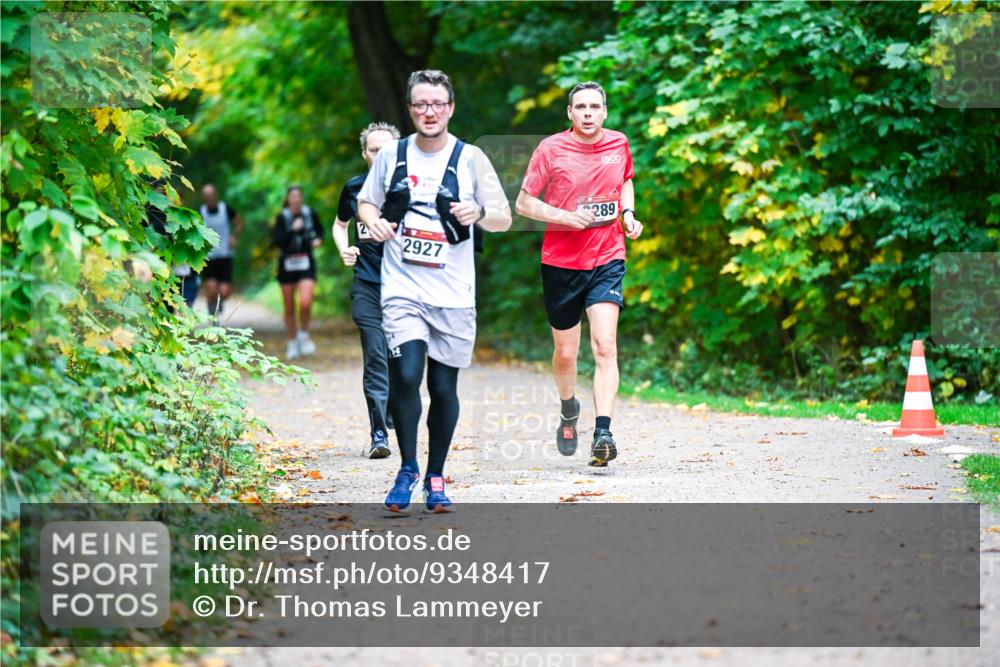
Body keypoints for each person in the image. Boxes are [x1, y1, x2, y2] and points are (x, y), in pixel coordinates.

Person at [358, 69, 511, 513]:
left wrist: (477, 210)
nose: (430, 112)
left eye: (438, 104)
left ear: (451, 108)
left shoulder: (471, 158)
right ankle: (407, 467)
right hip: (403, 287)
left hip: (455, 294)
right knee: (406, 376)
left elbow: (502, 217)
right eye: (421, 104)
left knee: (443, 387)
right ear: (410, 110)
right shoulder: (392, 155)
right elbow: (366, 202)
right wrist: (373, 222)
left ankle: (435, 475)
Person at [515, 81, 644, 467]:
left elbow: (625, 181)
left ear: (605, 111)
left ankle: (603, 431)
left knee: (605, 346)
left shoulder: (618, 143)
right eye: (580, 107)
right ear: (569, 113)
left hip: (608, 257)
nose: (588, 113)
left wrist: (628, 214)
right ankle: (569, 408)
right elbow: (523, 203)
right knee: (566, 354)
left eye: (595, 106)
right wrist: (565, 217)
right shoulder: (551, 149)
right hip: (561, 263)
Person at [333, 121, 401, 460]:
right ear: (365, 154)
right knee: (376, 357)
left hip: (407, 292)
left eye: (387, 148)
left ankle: (390, 410)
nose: (381, 155)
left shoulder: (411, 190)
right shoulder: (354, 189)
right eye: (374, 149)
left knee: (401, 362)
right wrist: (343, 248)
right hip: (368, 286)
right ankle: (379, 434)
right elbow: (339, 224)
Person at [272, 184, 323, 360]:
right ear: (288, 199)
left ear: (301, 197)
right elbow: (277, 241)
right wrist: (293, 229)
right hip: (287, 265)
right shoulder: (282, 217)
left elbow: (320, 232)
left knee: (305, 302)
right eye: (292, 196)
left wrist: (318, 241)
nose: (296, 199)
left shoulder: (309, 213)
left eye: (298, 196)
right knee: (289, 307)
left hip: (306, 263)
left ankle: (304, 335)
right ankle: (292, 342)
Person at [199, 184, 242, 320]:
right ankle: (212, 311)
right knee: (212, 288)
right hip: (209, 256)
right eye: (207, 195)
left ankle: (220, 301)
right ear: (204, 198)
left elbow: (240, 223)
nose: (210, 198)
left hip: (225, 254)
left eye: (212, 194)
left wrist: (234, 236)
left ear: (216, 195)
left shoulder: (225, 209)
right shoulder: (200, 212)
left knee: (225, 291)